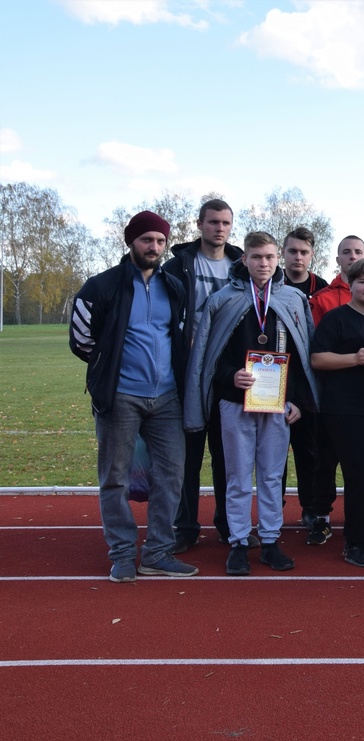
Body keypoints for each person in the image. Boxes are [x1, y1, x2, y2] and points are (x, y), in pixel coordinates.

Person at [70, 210, 198, 582]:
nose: (153, 247)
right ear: (131, 242)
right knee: (115, 478)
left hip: (167, 398)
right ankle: (123, 554)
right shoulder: (101, 286)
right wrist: (109, 368)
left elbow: (179, 335)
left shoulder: (174, 286)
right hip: (120, 397)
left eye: (160, 241)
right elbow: (81, 339)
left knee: (171, 476)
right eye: (146, 240)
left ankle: (157, 553)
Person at [185, 232, 316, 575]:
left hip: (278, 404)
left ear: (277, 259)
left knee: (272, 476)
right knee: (238, 477)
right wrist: (231, 377)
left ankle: (270, 541)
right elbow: (209, 357)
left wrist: (299, 401)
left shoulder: (293, 299)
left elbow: (303, 355)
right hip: (234, 403)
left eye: (270, 257)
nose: (264, 263)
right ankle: (239, 543)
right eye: (256, 257)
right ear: (244, 259)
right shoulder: (222, 300)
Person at [306, 236, 364, 547]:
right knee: (359, 475)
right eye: (363, 281)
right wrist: (355, 358)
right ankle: (355, 544)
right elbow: (317, 359)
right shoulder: (336, 318)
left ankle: (360, 538)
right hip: (344, 409)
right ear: (351, 284)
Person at [165, 199, 241, 553]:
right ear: (199, 224)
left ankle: (228, 524)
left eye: (225, 222)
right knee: (188, 456)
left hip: (227, 375)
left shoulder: (241, 264)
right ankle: (185, 527)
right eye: (213, 222)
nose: (219, 228)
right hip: (188, 374)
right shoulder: (178, 265)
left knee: (227, 456)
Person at [280, 227, 328, 530]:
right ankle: (275, 508)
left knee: (309, 451)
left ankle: (310, 507)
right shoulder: (272, 284)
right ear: (283, 253)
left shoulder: (321, 289)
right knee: (273, 455)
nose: (298, 257)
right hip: (274, 380)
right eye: (293, 251)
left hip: (309, 383)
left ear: (311, 255)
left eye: (304, 252)